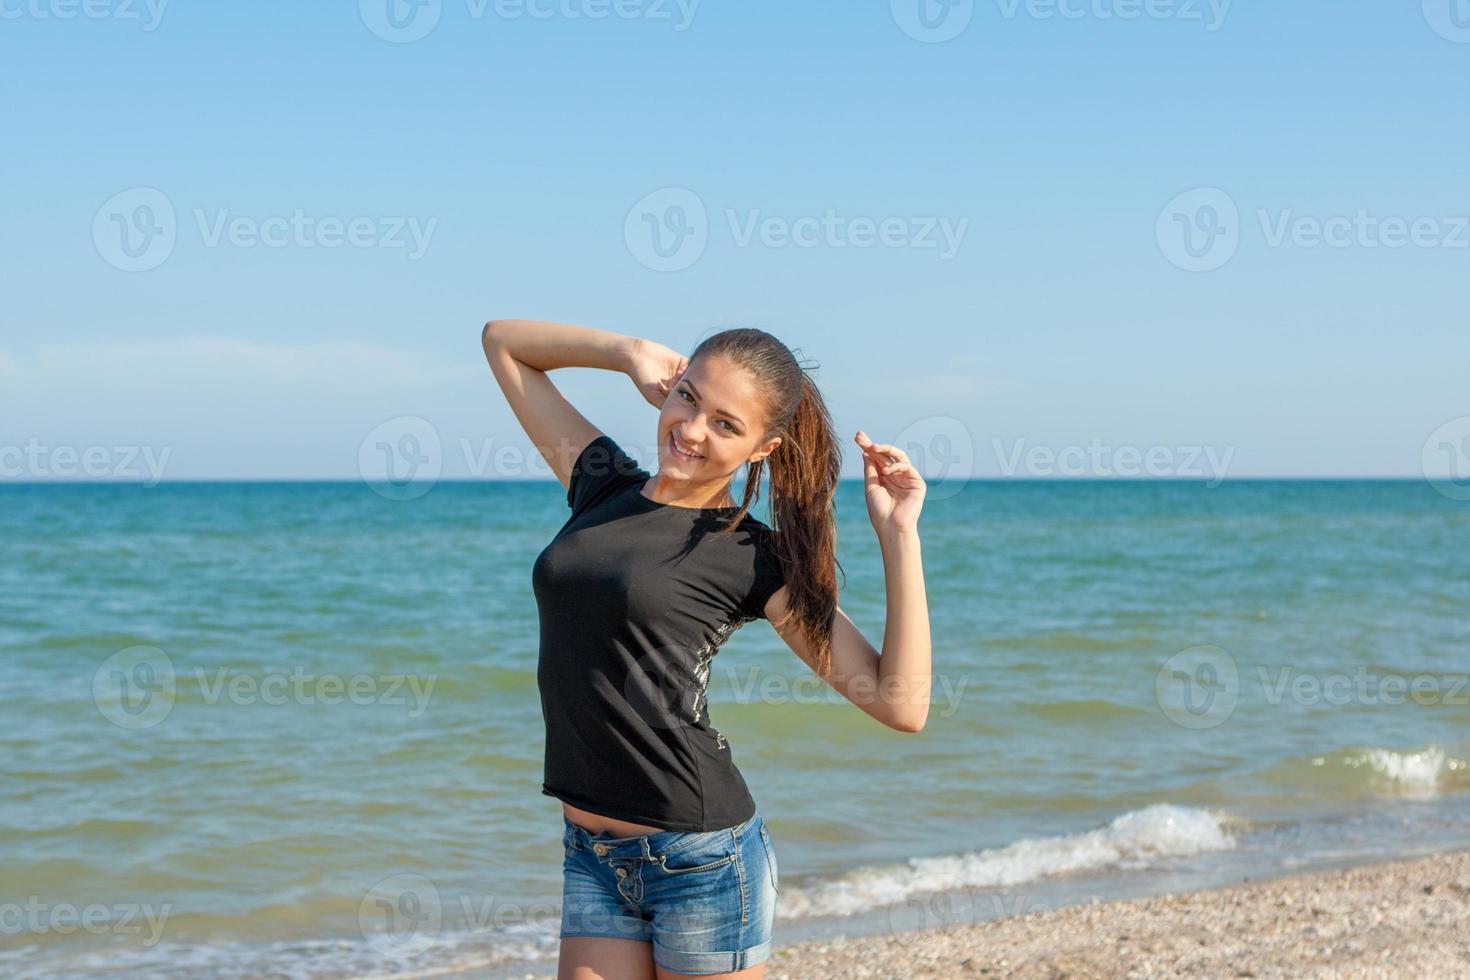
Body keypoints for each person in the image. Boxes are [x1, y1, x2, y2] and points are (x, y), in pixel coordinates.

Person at [480, 318, 932, 979]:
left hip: (699, 859)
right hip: (592, 852)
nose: (691, 430)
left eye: (726, 424)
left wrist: (900, 538)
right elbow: (504, 344)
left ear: (761, 448)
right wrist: (626, 353)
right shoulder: (601, 482)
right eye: (688, 396)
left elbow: (901, 704)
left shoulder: (753, 557)